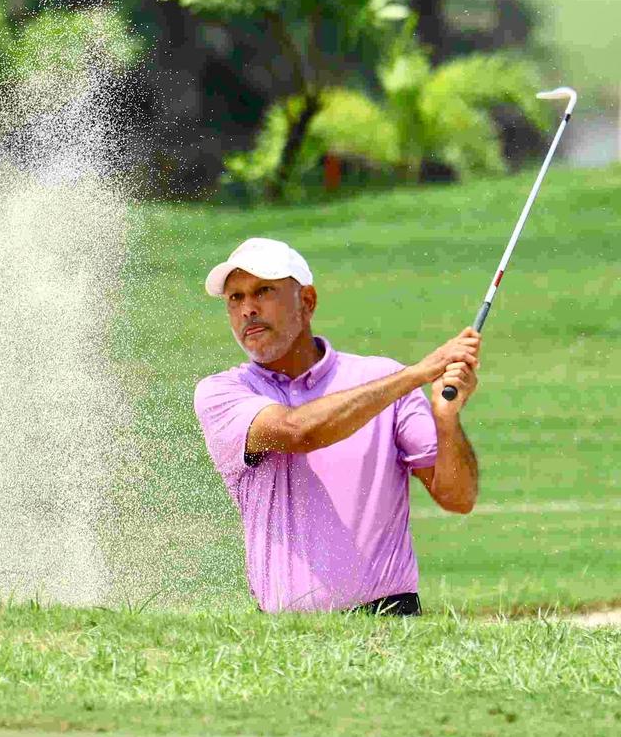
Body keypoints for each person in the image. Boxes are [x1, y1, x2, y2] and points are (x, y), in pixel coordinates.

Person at [193, 237, 481, 615]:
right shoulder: (222, 392)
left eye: (264, 291)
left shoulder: (381, 377)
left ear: (307, 301)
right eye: (235, 298)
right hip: (284, 635)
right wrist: (414, 375)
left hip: (389, 621)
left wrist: (447, 420)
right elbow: (299, 432)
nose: (248, 309)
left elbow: (457, 498)